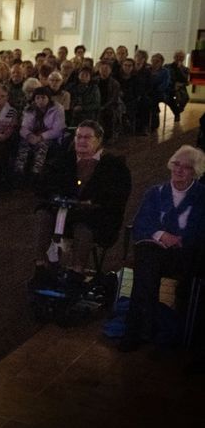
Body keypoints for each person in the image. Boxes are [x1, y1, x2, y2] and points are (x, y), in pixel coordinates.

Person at [120, 145, 205, 352]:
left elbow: (201, 227)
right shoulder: (155, 193)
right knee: (147, 260)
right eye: (176, 164)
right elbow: (141, 224)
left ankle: (150, 328)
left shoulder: (202, 196)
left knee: (151, 268)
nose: (179, 170)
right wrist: (161, 235)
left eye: (186, 167)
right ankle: (146, 328)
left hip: (187, 252)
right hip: (156, 251)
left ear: (195, 172)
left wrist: (181, 239)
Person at [33, 120, 132, 283]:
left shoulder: (114, 166)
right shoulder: (64, 159)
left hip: (95, 215)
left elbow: (117, 197)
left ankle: (77, 271)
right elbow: (45, 184)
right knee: (43, 214)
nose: (81, 141)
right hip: (65, 211)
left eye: (87, 137)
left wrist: (91, 203)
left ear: (99, 140)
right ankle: (40, 264)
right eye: (78, 137)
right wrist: (56, 196)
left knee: (84, 225)